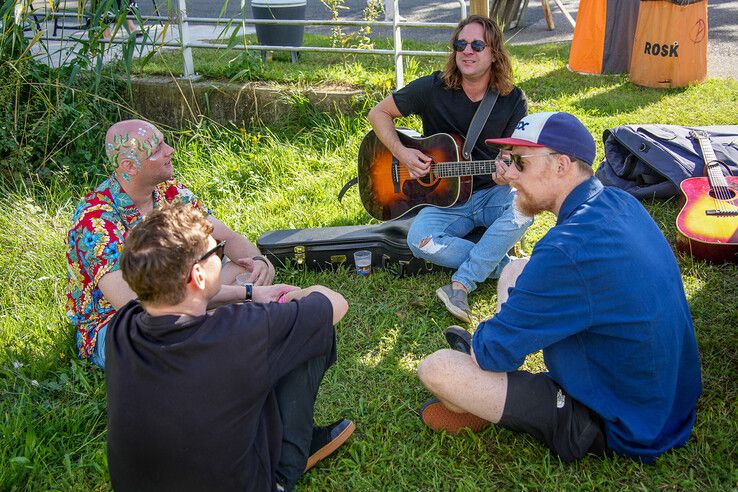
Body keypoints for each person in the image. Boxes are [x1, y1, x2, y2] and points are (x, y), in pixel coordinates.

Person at [416, 112, 702, 463]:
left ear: (562, 165)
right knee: (517, 269)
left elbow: (490, 353)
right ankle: (494, 387)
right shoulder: (620, 202)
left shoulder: (567, 250)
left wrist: (486, 346)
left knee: (438, 369)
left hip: (619, 423)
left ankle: (485, 402)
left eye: (519, 162)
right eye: (507, 161)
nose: (509, 175)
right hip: (666, 398)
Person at [105, 203, 352, 491]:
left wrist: (251, 292)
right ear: (198, 275)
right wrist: (292, 298)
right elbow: (334, 304)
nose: (221, 258)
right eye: (218, 254)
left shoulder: (123, 326)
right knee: (311, 335)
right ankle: (283, 473)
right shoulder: (241, 331)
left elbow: (172, 300)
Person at [66, 119, 275, 369]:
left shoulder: (169, 191)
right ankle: (217, 325)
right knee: (165, 336)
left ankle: (212, 326)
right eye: (157, 149)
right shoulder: (95, 220)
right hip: (121, 326)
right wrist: (246, 292)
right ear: (129, 166)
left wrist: (260, 263)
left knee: (245, 269)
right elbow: (137, 307)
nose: (170, 150)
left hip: (179, 296)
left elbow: (227, 237)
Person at [368, 15, 531, 324]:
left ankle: (461, 283)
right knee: (420, 241)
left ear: (494, 52)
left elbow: (513, 156)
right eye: (460, 44)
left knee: (524, 210)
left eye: (477, 45)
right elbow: (379, 113)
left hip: (491, 193)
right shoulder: (433, 88)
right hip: (445, 202)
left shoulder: (513, 100)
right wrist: (403, 153)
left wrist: (506, 170)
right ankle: (502, 263)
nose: (467, 51)